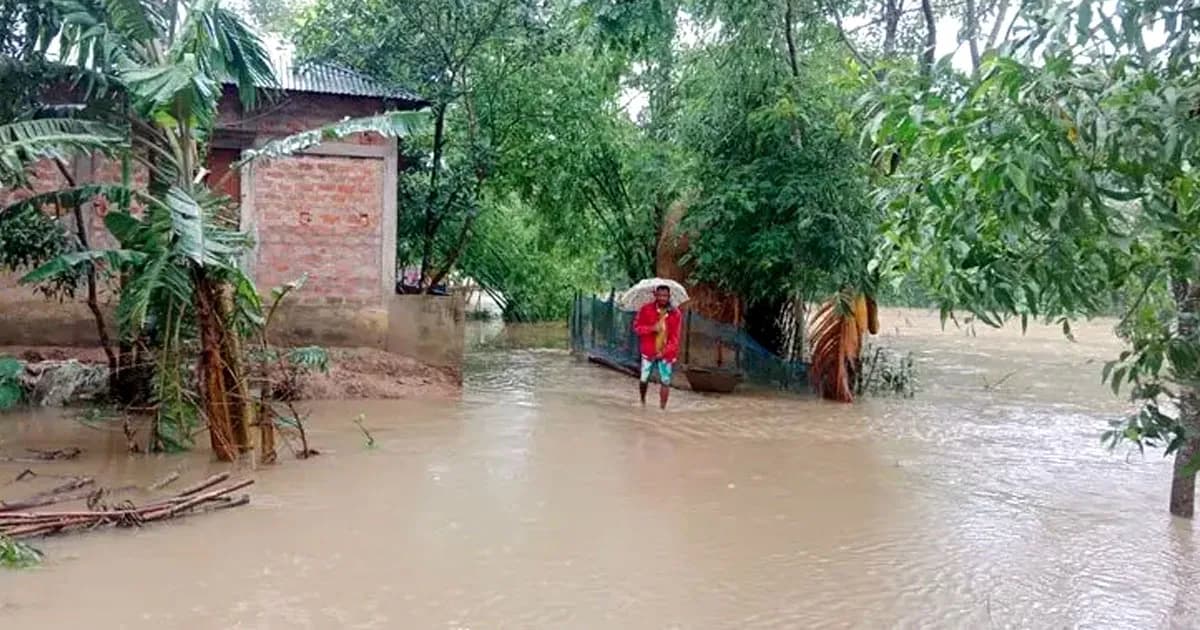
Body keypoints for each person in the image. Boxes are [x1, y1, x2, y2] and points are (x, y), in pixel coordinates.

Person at [632, 285, 682, 409]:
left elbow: (675, 338)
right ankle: (642, 401)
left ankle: (662, 409)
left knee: (665, 380)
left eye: (665, 295)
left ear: (669, 296)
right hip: (648, 351)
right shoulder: (645, 309)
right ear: (655, 295)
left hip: (667, 353)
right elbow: (637, 328)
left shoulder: (675, 313)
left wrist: (664, 352)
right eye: (659, 295)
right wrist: (651, 328)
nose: (662, 298)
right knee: (644, 377)